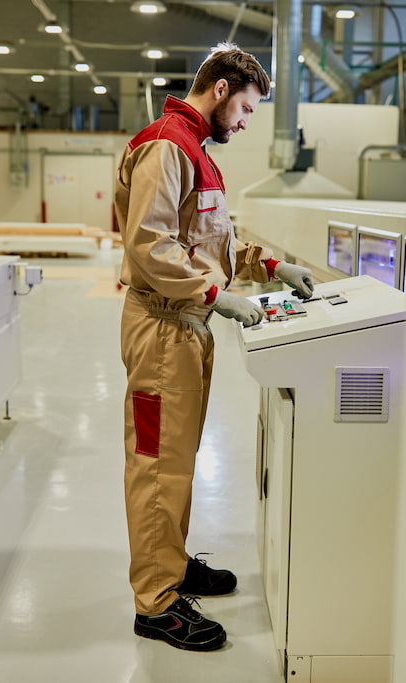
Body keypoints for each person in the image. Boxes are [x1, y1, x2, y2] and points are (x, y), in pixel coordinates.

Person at [114, 43, 314, 652]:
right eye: (248, 110)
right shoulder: (167, 147)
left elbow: (207, 243)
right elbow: (149, 245)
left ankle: (170, 567)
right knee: (155, 463)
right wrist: (214, 295)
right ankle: (156, 601)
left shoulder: (197, 151)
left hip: (188, 326)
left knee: (176, 459)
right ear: (222, 91)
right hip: (163, 327)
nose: (249, 122)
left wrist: (270, 264)